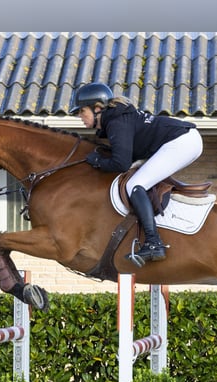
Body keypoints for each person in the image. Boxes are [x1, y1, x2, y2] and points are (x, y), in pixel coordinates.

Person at [70, 82, 203, 264]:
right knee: (139, 179)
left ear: (97, 108)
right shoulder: (118, 119)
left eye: (81, 111)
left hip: (181, 142)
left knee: (135, 185)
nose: (80, 117)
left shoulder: (116, 123)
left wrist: (98, 161)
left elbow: (121, 163)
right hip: (184, 140)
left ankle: (154, 243)